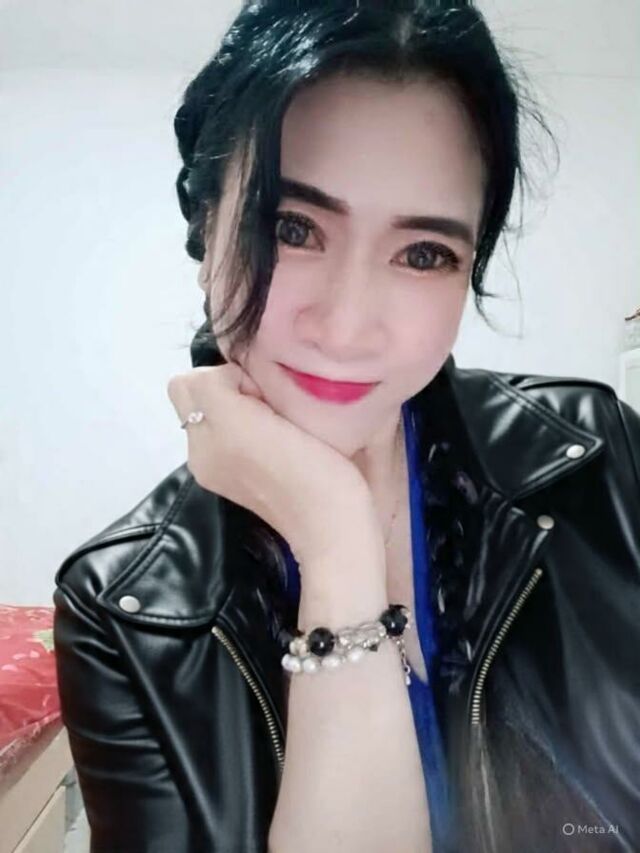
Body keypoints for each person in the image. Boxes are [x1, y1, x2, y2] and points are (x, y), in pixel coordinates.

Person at [52, 1, 640, 851]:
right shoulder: (124, 610)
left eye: (423, 253)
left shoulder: (597, 456)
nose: (346, 324)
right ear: (204, 225)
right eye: (291, 228)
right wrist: (334, 540)